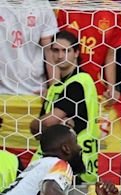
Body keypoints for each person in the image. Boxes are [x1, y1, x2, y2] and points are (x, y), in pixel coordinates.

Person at [30, 30, 100, 184]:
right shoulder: (57, 87)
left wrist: (35, 124)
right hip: (59, 164)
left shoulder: (78, 82)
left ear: (76, 52)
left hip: (73, 164)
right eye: (55, 50)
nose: (60, 55)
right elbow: (43, 127)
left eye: (66, 50)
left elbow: (46, 123)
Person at [0, 0, 58, 167]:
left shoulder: (41, 4)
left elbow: (50, 50)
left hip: (35, 94)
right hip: (3, 95)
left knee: (34, 160)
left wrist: (54, 86)